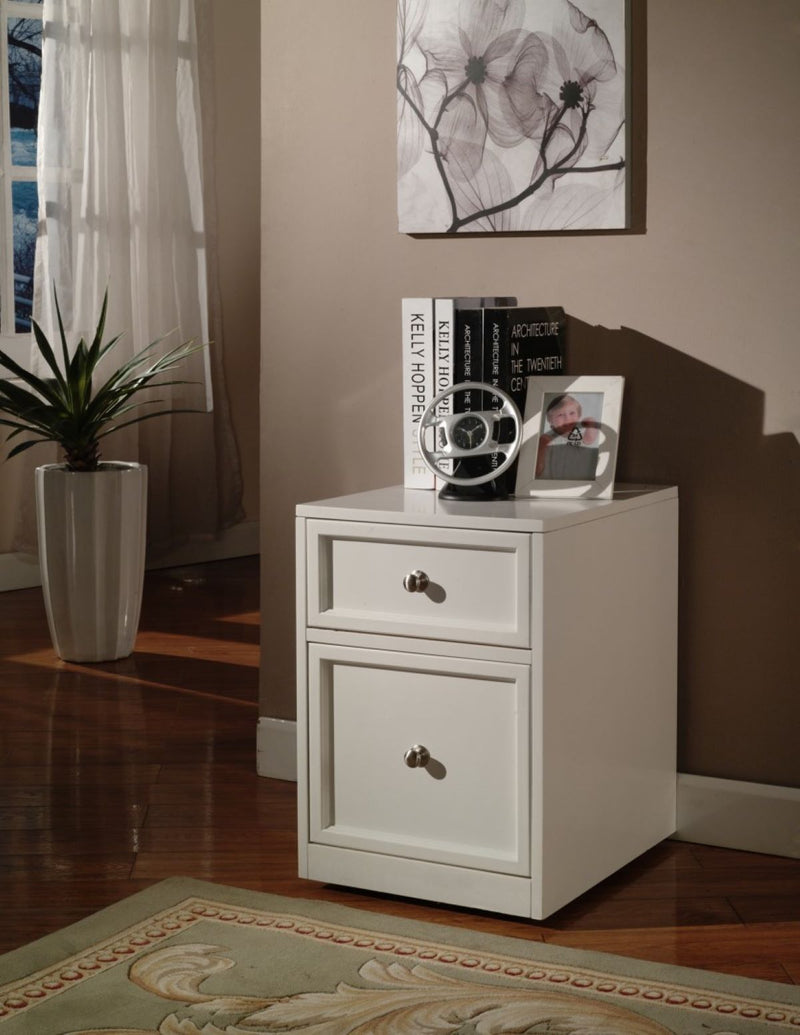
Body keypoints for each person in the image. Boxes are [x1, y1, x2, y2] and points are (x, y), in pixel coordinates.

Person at [536, 393, 600, 480]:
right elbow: (538, 470)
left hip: (578, 475)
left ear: (579, 417)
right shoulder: (546, 438)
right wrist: (542, 445)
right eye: (560, 415)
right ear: (551, 421)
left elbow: (590, 439)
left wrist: (590, 422)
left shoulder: (580, 434)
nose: (567, 418)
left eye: (572, 413)